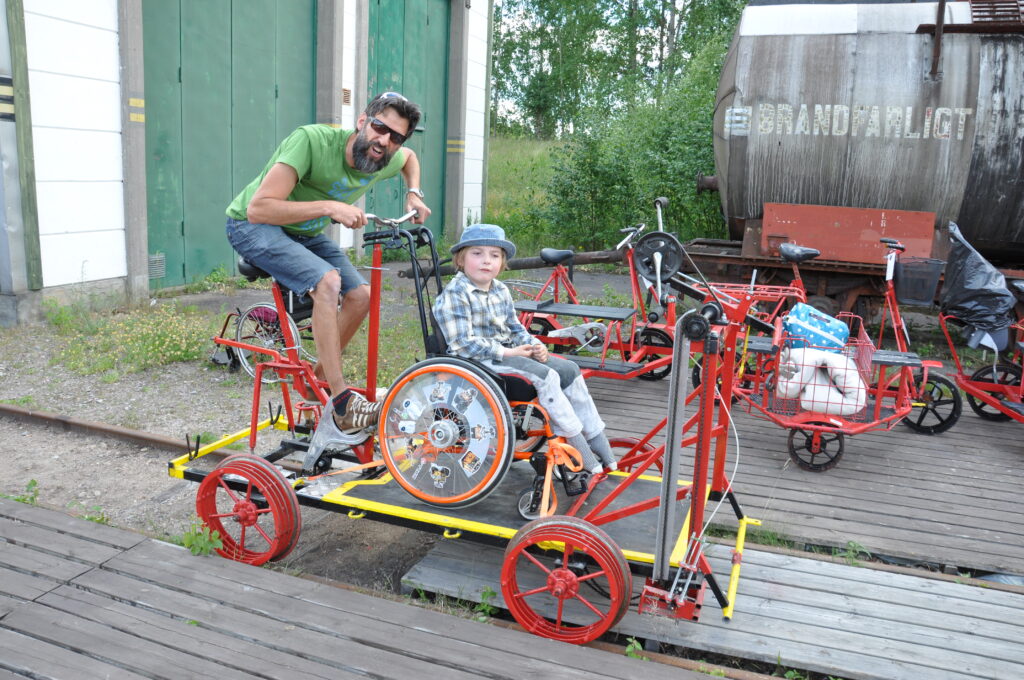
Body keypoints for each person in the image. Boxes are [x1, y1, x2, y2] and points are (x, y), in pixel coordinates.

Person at [225, 92, 430, 431]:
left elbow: (409, 159)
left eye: (396, 136)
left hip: (301, 232)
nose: (385, 140)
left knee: (361, 296)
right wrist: (328, 207)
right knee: (328, 281)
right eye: (380, 128)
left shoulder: (390, 156)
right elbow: (258, 208)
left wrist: (414, 191)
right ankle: (341, 402)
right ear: (363, 121)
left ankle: (314, 385)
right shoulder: (311, 142)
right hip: (253, 226)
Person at [432, 224, 617, 475]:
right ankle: (574, 439)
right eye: (477, 253)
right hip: (475, 361)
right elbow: (463, 343)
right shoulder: (456, 293)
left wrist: (536, 347)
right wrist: (509, 353)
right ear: (461, 259)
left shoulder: (500, 290)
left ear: (502, 262)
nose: (486, 261)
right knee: (546, 376)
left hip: (507, 354)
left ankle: (595, 435)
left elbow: (515, 328)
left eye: (494, 255)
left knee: (570, 369)